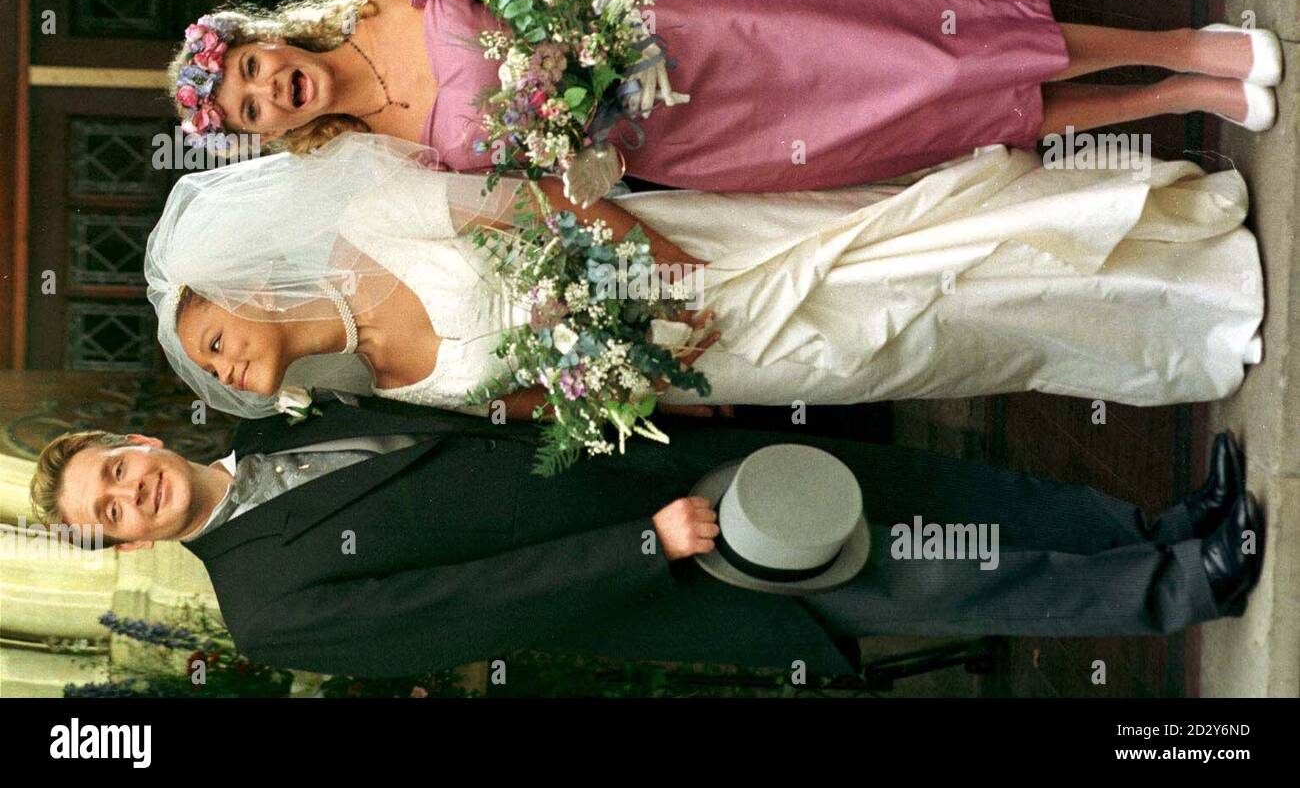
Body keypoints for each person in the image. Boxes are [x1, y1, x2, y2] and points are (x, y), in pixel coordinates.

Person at [30, 400, 1263, 678]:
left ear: (134, 443)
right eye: (104, 512)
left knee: (933, 486)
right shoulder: (265, 608)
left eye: (112, 470)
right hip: (673, 556)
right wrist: (644, 549)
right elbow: (477, 612)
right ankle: (1182, 586)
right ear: (119, 545)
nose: (126, 493)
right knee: (930, 567)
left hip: (667, 466)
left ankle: (1151, 529)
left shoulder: (292, 418)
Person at [168, 0, 1282, 193]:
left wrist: (604, 32)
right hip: (688, 148)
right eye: (256, 108)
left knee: (939, 50)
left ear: (268, 40)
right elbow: (530, 186)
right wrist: (584, 143)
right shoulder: (387, 155)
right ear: (277, 133)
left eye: (256, 68)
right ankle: (1186, 104)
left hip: (704, 40)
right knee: (947, 120)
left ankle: (1188, 40)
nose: (275, 89)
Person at [143, 131, 1263, 421]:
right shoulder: (383, 387)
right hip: (693, 363)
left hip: (689, 260)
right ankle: (1167, 332)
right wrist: (615, 386)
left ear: (243, 287)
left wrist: (653, 276)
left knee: (908, 263)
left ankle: (1173, 247)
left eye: (214, 341)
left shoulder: (370, 226)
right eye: (218, 374)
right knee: (932, 349)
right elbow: (527, 402)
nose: (230, 364)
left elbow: (537, 198)